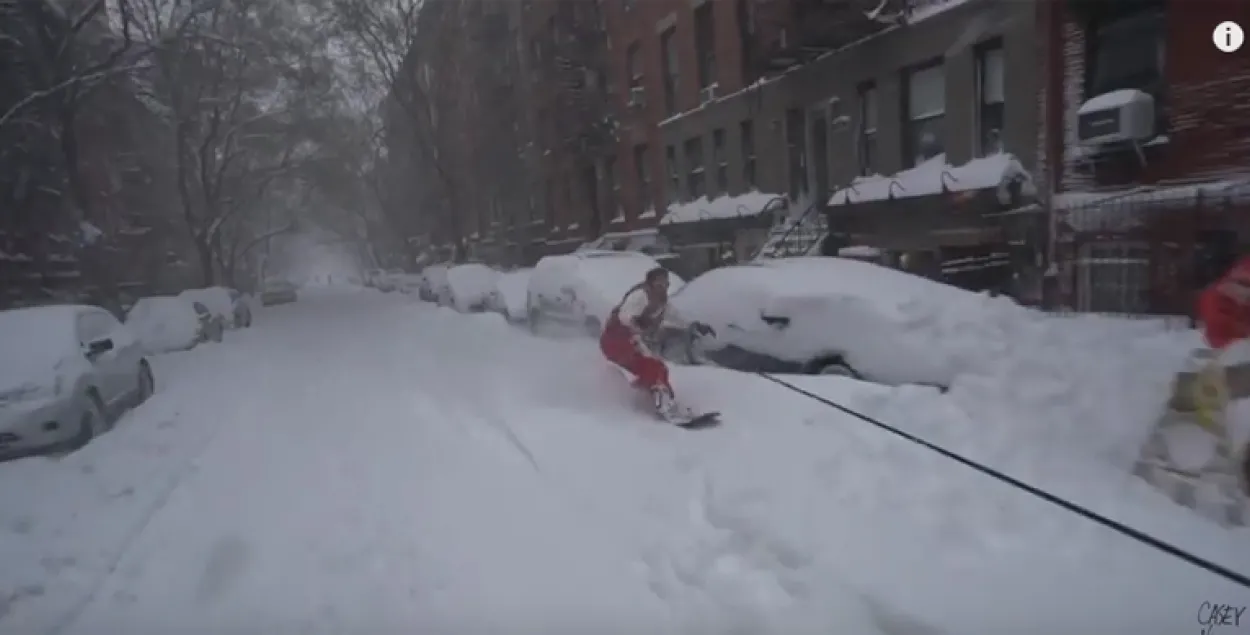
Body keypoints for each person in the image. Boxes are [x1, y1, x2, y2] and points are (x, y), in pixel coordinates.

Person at [600, 266, 712, 421]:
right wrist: (636, 325)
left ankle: (659, 401)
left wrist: (693, 326)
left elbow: (675, 317)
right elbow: (625, 315)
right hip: (616, 340)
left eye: (666, 284)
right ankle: (660, 402)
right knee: (652, 365)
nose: (663, 288)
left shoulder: (662, 302)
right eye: (659, 284)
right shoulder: (641, 295)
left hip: (629, 341)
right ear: (650, 283)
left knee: (658, 368)